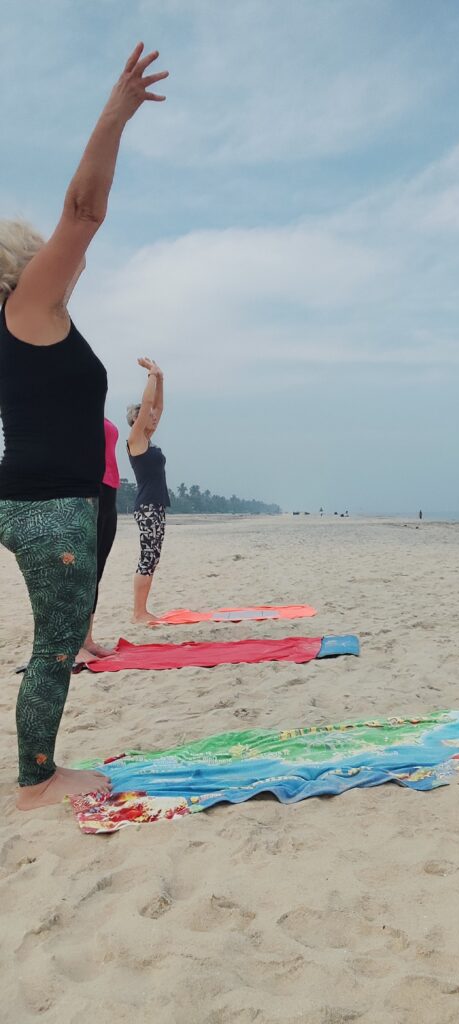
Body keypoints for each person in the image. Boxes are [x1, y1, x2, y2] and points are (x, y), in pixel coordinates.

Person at [0, 43, 168, 810]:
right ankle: (37, 780)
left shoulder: (30, 323)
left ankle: (39, 769)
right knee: (56, 650)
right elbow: (84, 211)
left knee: (58, 645)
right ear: (26, 264)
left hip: (36, 501)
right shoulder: (28, 308)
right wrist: (117, 113)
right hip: (50, 507)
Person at [127, 359, 171, 623]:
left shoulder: (148, 440)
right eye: (146, 416)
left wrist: (161, 379)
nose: (153, 417)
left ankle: (142, 610)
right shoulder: (136, 439)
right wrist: (151, 376)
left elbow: (158, 406)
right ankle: (138, 613)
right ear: (136, 420)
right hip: (147, 508)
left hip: (156, 506)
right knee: (147, 557)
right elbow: (147, 406)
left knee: (152, 556)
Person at [76, 417, 121, 663]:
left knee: (96, 572)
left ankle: (87, 640)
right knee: (84, 572)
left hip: (109, 491)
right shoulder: (74, 408)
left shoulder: (98, 409)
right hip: (89, 489)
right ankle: (74, 644)